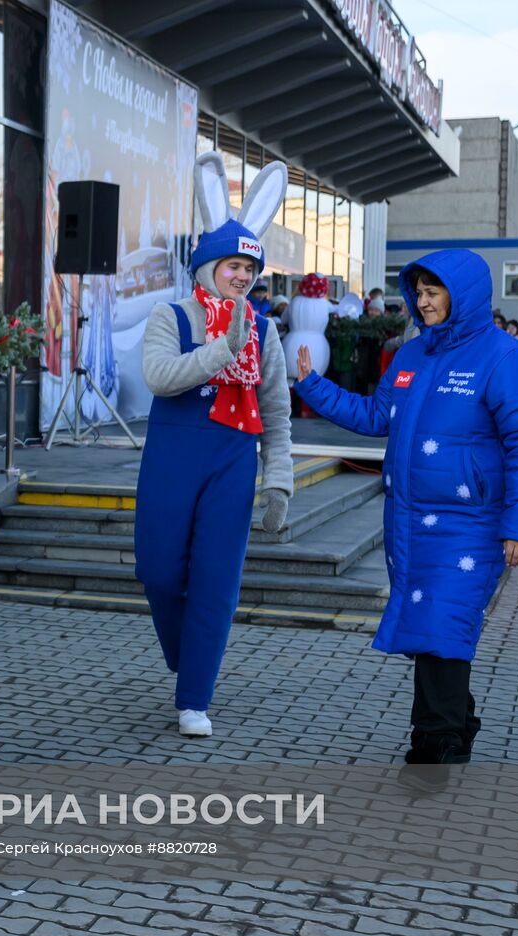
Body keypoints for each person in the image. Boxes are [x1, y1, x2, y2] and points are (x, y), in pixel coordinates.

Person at [294, 249, 518, 771]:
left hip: (471, 523)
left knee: (440, 621)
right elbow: (374, 416)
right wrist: (313, 386)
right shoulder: (413, 355)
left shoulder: (506, 358)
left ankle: (436, 742)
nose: (423, 302)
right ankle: (457, 720)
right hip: (411, 518)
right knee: (435, 626)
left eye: (434, 293)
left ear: (465, 296)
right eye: (420, 293)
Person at [135, 152, 293, 740]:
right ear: (207, 267)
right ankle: (189, 656)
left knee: (216, 579)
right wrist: (221, 349)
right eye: (233, 267)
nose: (243, 278)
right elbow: (158, 377)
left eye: (250, 271)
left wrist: (279, 478)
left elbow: (276, 410)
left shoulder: (265, 329)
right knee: (156, 570)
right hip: (173, 460)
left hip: (233, 457)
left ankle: (195, 693)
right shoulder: (168, 315)